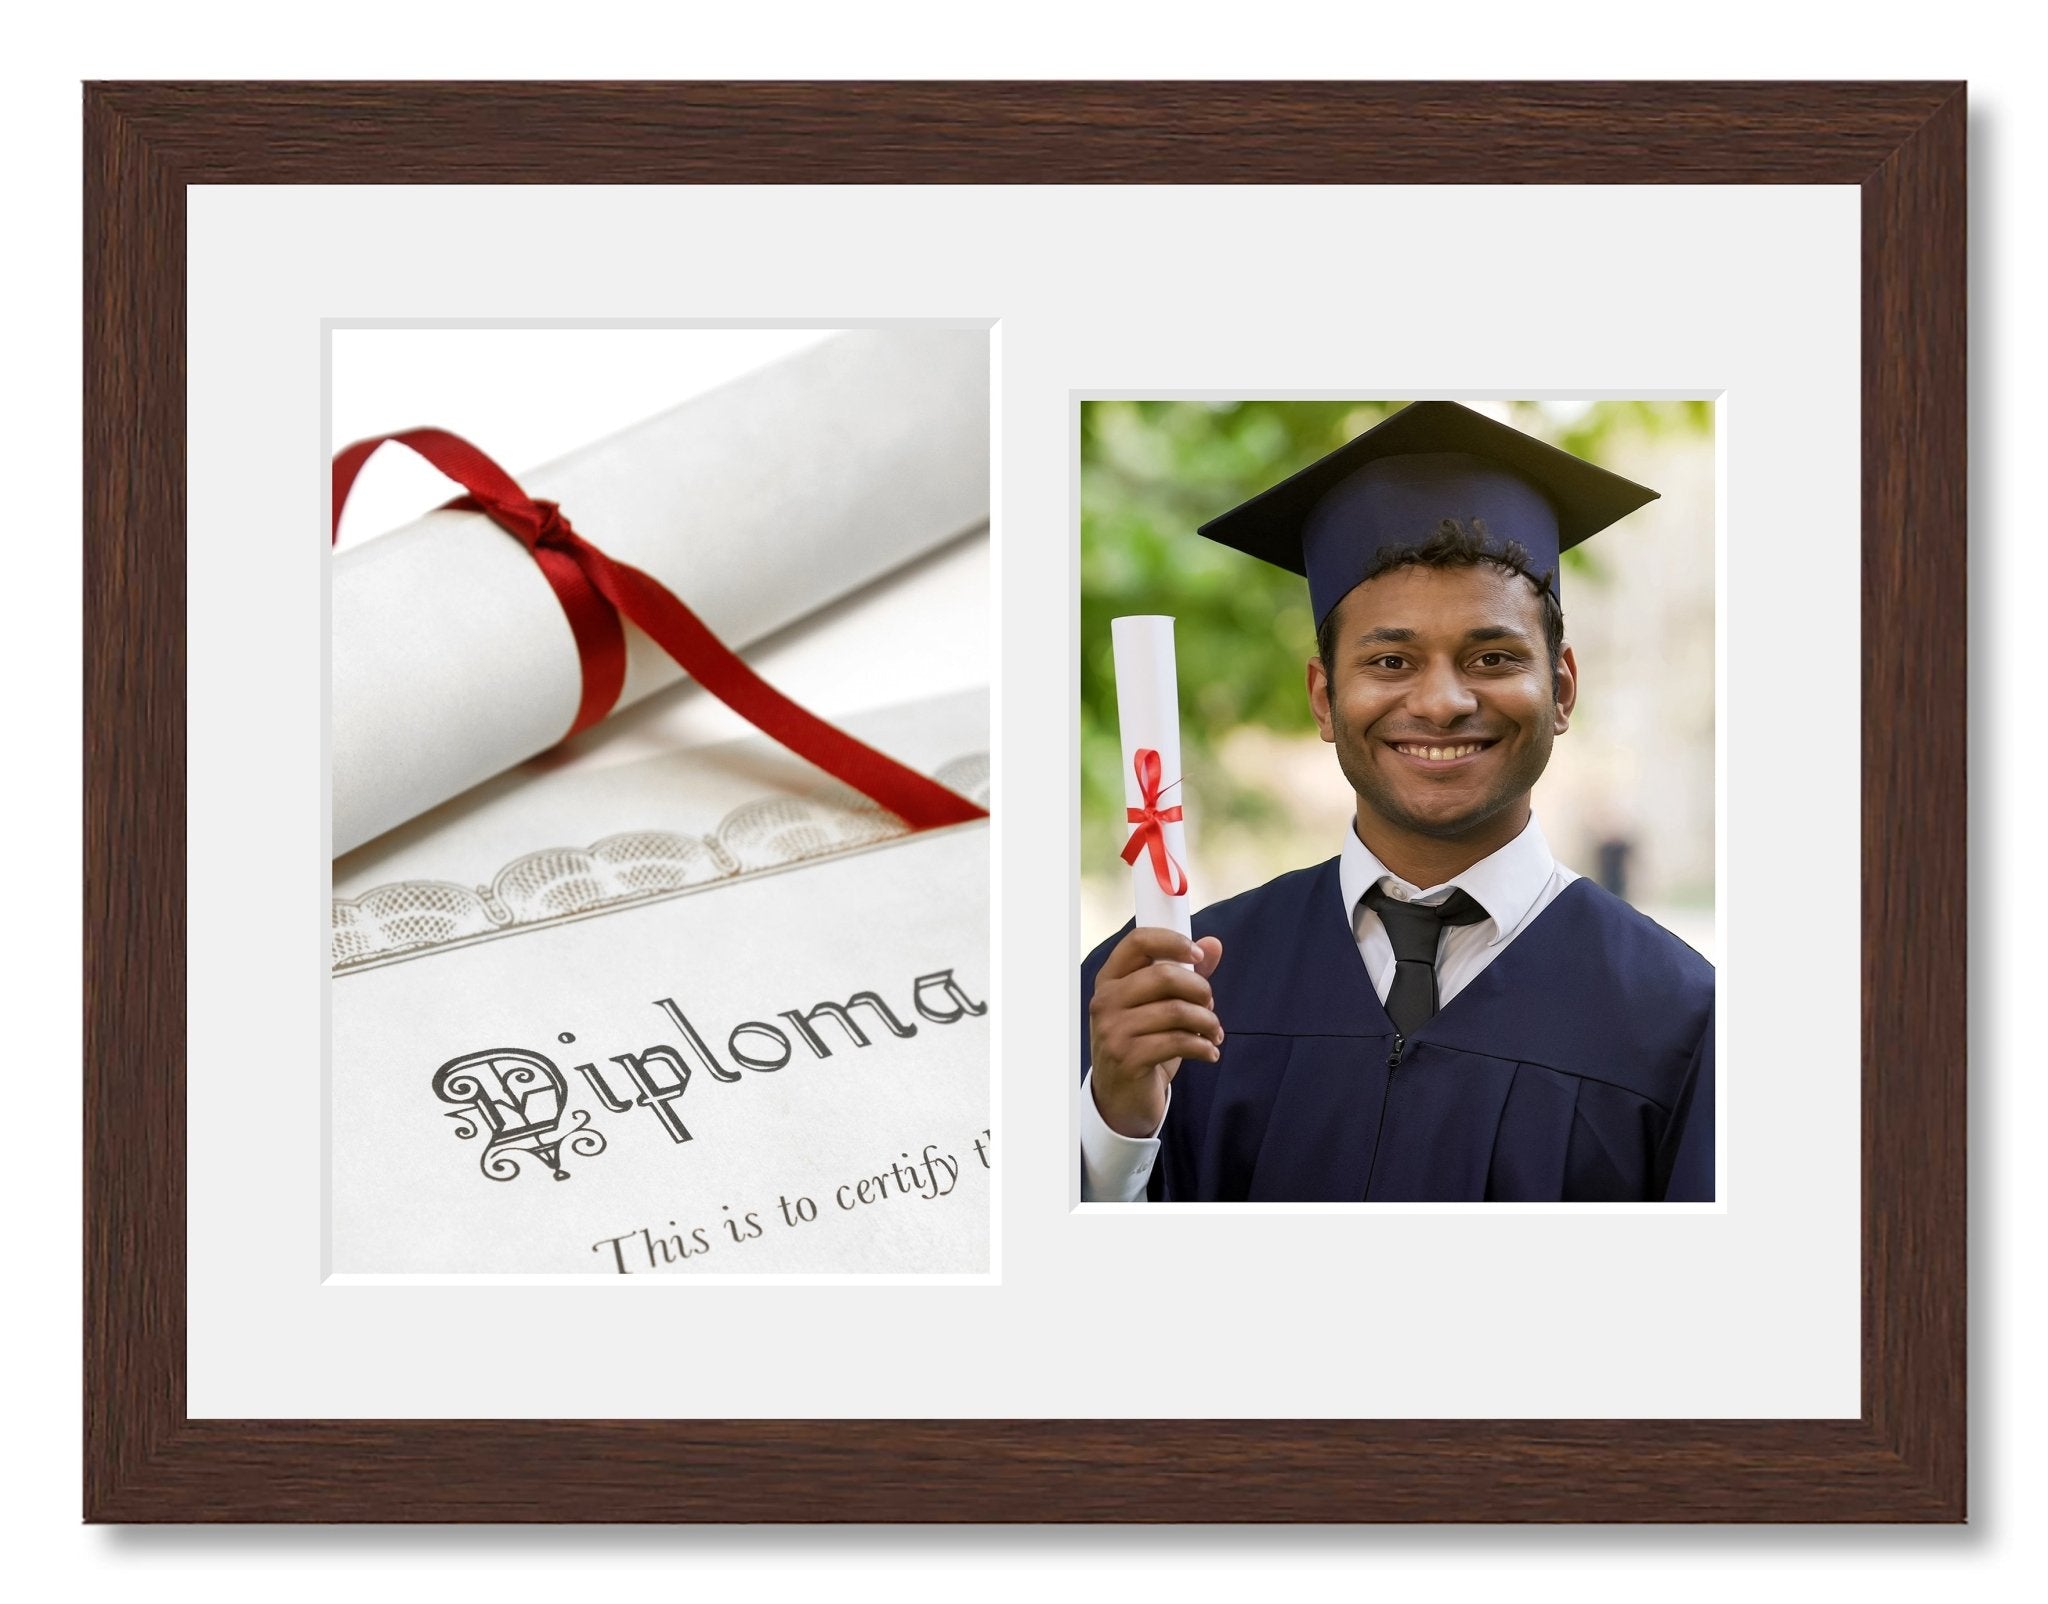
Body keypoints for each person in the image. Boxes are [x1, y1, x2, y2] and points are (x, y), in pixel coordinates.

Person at [1080, 401, 1714, 1203]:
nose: (1443, 702)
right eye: (1390, 660)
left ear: (1560, 689)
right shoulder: (1158, 994)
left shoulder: (1682, 1023)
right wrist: (1115, 1127)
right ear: (1322, 698)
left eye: (1490, 655)